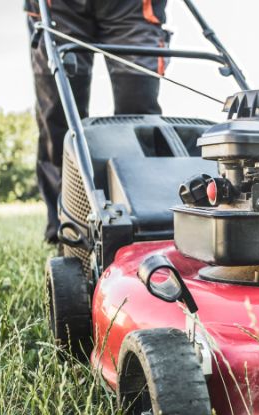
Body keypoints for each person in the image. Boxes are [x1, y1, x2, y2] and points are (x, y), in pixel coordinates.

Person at [25, 0, 169, 243]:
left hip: (133, 7)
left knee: (139, 112)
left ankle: (147, 222)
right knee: (58, 116)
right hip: (60, 7)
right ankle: (66, 226)